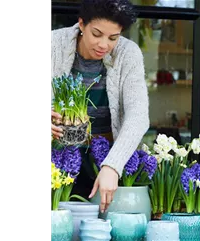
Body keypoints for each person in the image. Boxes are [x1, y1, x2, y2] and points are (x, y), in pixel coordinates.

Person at [50, 0, 149, 214]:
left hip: (104, 160)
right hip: (57, 158)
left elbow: (138, 115)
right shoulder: (52, 44)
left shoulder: (128, 54)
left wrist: (113, 165)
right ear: (82, 24)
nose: (104, 45)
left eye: (113, 38)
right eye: (97, 34)